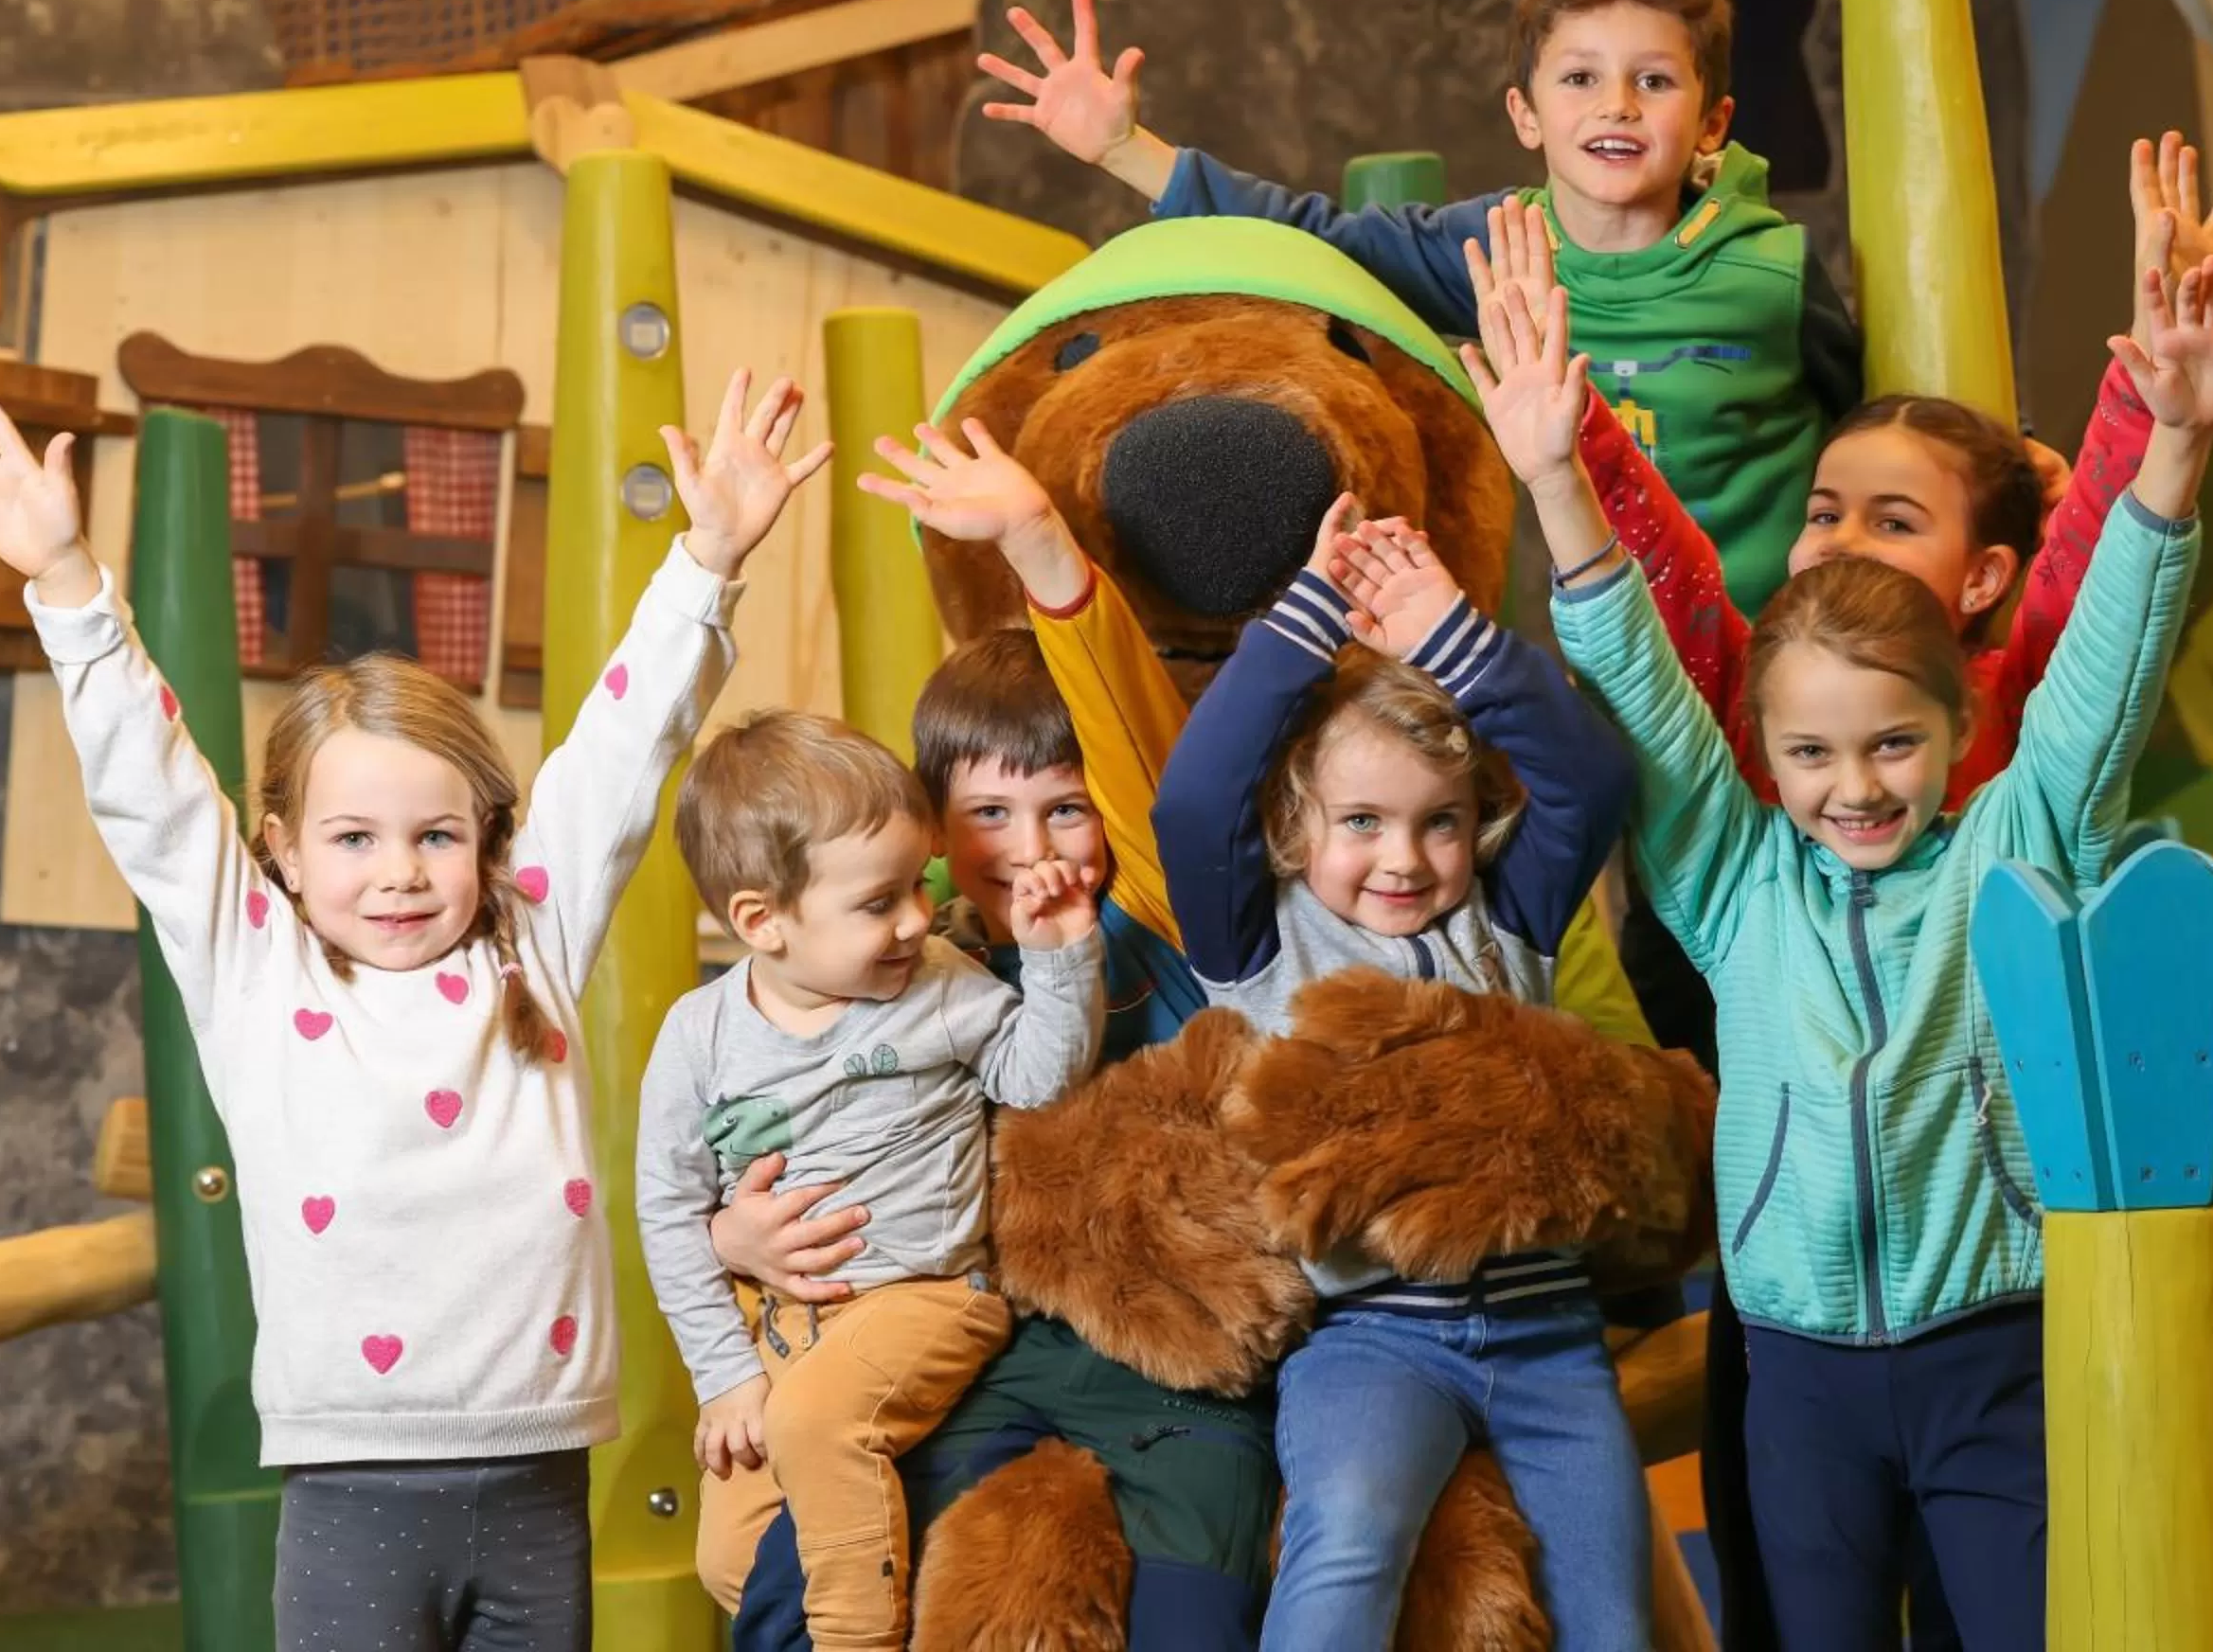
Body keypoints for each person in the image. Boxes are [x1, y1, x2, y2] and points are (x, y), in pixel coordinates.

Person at [0, 373, 828, 1650]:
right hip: (352, 1487)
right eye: (354, 838)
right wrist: (68, 579)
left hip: (539, 1478)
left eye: (435, 835)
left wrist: (709, 557)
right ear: (283, 850)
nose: (398, 872)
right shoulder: (258, 972)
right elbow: (156, 791)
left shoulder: (531, 938)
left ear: (489, 841)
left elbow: (625, 749)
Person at [1470, 129, 2213, 1650]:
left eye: (1896, 743)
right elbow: (1632, 660)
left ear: (1959, 729)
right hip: (1805, 1377)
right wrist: (1556, 474)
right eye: (1813, 752)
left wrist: (2178, 441)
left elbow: (2101, 670)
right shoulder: (1735, 878)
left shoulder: (2018, 841)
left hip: (1993, 1353)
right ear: (1766, 751)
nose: (1859, 785)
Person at [717, 434, 1286, 1651]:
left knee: (1201, 1603)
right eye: (987, 813)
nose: (1031, 845)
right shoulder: (909, 964)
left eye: (1063, 807)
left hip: (1178, 1360)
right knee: (800, 1571)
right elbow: (772, 1123)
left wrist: (1039, 544)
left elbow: (1145, 762)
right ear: (931, 832)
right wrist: (733, 1231)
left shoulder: (1167, 914)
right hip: (983, 1339)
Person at [976, 0, 1863, 617]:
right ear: (1527, 114)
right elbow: (1305, 239)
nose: (1617, 105)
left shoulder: (1769, 269)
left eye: (1655, 81)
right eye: (1581, 77)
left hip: (1767, 637)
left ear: (1712, 122)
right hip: (1593, 636)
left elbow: (1860, 423)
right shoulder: (1494, 247)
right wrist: (1128, 149)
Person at [1149, 494, 1651, 1651]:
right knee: (1349, 1542)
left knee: (1610, 1610)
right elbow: (1191, 797)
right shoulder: (1262, 942)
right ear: (1294, 823)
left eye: (1441, 821)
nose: (1405, 857)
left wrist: (1445, 630)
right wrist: (1312, 612)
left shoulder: (1507, 918)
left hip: (1548, 1339)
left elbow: (1590, 778)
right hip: (1371, 1339)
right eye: (1363, 819)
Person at [636, 706, 1105, 1650]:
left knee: (816, 1424)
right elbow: (668, 1210)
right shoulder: (699, 1034)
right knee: (733, 1557)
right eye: (877, 901)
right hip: (774, 1324)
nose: (915, 918)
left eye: (916, 885)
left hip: (926, 1294)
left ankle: (860, 1640)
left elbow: (1039, 1075)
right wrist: (725, 1374)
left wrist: (1060, 960)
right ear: (762, 922)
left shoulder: (936, 981)